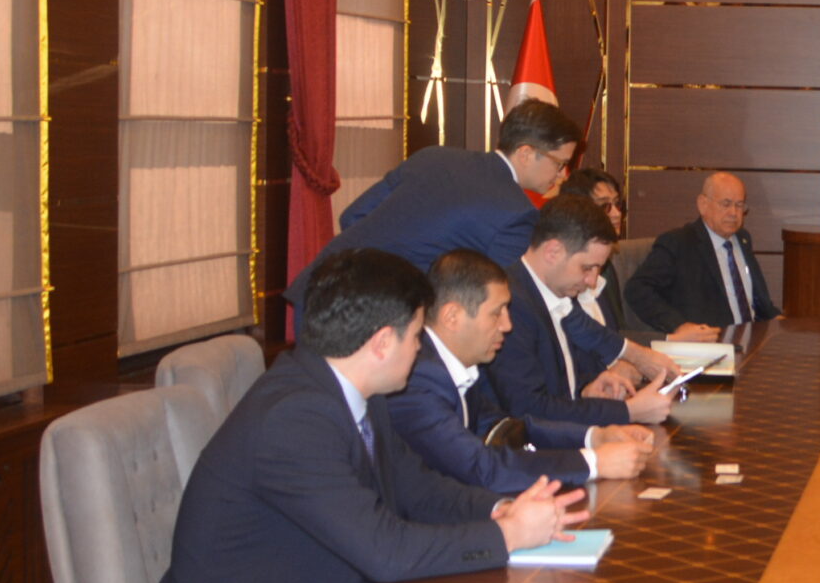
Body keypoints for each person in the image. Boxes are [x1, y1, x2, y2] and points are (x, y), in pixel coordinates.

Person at [155, 248, 585, 583]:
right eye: (416, 336)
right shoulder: (294, 419)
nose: (420, 350)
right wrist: (508, 536)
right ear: (381, 343)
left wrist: (500, 509)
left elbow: (417, 488)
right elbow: (386, 552)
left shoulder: (356, 392)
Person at [288, 99, 675, 389]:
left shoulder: (434, 156)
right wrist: (630, 353)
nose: (562, 175)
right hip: (369, 323)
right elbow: (540, 301)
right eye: (559, 163)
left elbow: (352, 216)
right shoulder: (513, 212)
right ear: (526, 153)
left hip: (319, 290)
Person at [385, 249, 658, 497]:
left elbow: (509, 428)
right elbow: (482, 468)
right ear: (452, 317)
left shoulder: (454, 363)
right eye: (497, 313)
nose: (507, 325)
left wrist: (594, 437)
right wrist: (594, 462)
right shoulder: (418, 380)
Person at [490, 197, 682, 427]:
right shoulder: (509, 306)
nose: (592, 281)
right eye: (587, 268)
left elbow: (559, 386)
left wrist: (586, 389)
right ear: (553, 252)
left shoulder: (554, 292)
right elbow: (529, 410)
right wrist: (627, 412)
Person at [625, 171, 779, 338]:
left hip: (753, 337)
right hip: (711, 342)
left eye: (739, 205)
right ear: (703, 204)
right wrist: (679, 326)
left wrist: (781, 322)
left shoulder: (743, 239)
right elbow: (637, 289)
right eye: (726, 204)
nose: (734, 213)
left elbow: (758, 302)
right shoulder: (679, 243)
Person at [557, 166, 633, 332]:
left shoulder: (606, 266)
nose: (616, 214)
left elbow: (616, 331)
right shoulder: (563, 271)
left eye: (617, 204)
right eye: (605, 206)